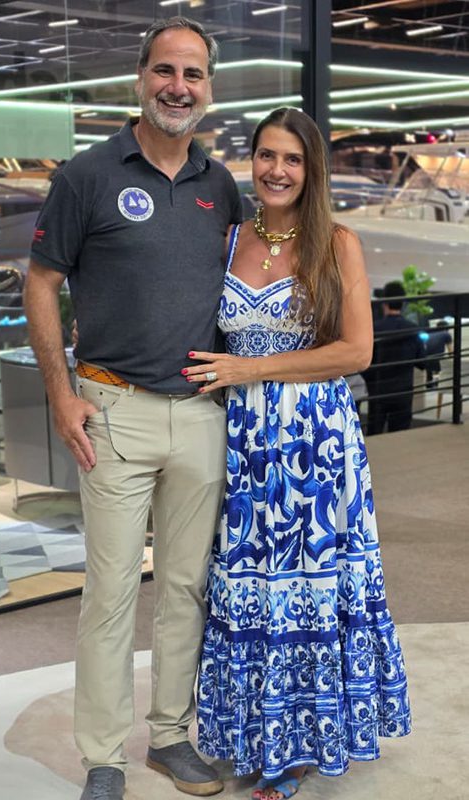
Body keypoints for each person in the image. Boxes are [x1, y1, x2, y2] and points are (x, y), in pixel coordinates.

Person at [24, 17, 242, 800]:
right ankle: (104, 756)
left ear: (208, 89)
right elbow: (41, 281)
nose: (178, 87)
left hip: (202, 415)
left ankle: (172, 737)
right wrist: (60, 393)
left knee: (185, 589)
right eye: (165, 71)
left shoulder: (222, 186)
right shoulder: (86, 176)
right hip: (112, 411)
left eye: (193, 74)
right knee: (111, 592)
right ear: (140, 78)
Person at [181, 108, 411, 800]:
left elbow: (357, 351)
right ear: (251, 161)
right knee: (251, 585)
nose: (277, 171)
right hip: (245, 442)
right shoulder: (229, 238)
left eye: (293, 159)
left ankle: (300, 750)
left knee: (308, 586)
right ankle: (258, 735)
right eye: (267, 156)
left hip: (314, 442)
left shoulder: (337, 242)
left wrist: (250, 370)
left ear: (312, 170)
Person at [365, 281, 426, 435]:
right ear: (403, 303)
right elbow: (422, 362)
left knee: (374, 434)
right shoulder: (412, 329)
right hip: (403, 391)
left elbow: (365, 360)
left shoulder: (374, 328)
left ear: (384, 303)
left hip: (378, 390)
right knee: (400, 436)